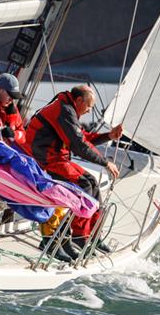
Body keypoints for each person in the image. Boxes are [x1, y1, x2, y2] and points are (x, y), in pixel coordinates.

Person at [21, 85, 123, 260]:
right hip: (43, 159)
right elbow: (79, 146)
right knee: (83, 185)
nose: (89, 111)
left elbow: (80, 138)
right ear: (78, 101)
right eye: (89, 107)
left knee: (91, 183)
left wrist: (109, 136)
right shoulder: (65, 110)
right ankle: (70, 237)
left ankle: (91, 235)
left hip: (56, 157)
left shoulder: (67, 107)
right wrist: (105, 162)